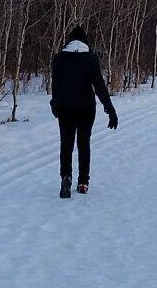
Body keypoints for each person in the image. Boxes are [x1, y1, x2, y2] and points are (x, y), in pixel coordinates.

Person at [49, 25, 117, 198]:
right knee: (83, 143)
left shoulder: (58, 59)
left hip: (65, 107)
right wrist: (110, 110)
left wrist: (54, 104)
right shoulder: (91, 58)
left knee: (66, 144)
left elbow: (56, 85)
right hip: (86, 108)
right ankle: (83, 182)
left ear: (69, 40)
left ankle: (66, 176)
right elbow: (99, 86)